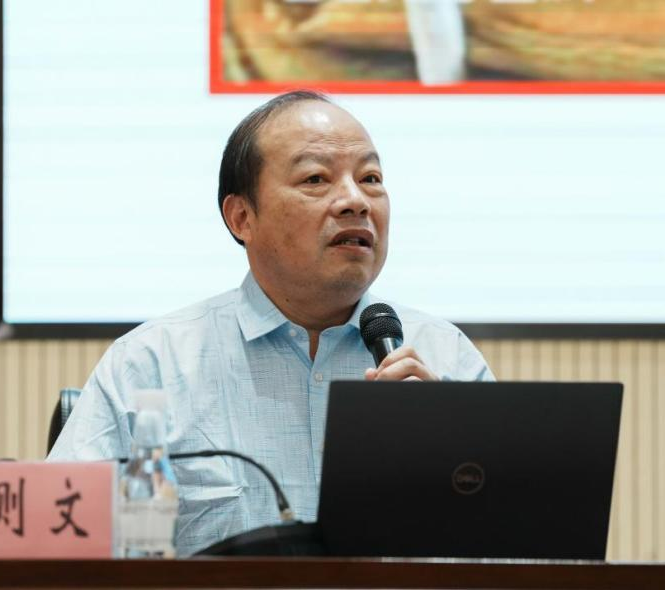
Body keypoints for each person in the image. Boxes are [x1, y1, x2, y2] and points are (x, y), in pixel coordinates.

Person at [48, 90, 494, 555]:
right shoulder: (150, 367)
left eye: (371, 179)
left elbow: (517, 556)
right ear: (242, 217)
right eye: (316, 178)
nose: (356, 201)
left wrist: (449, 467)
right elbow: (59, 550)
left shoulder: (447, 360)